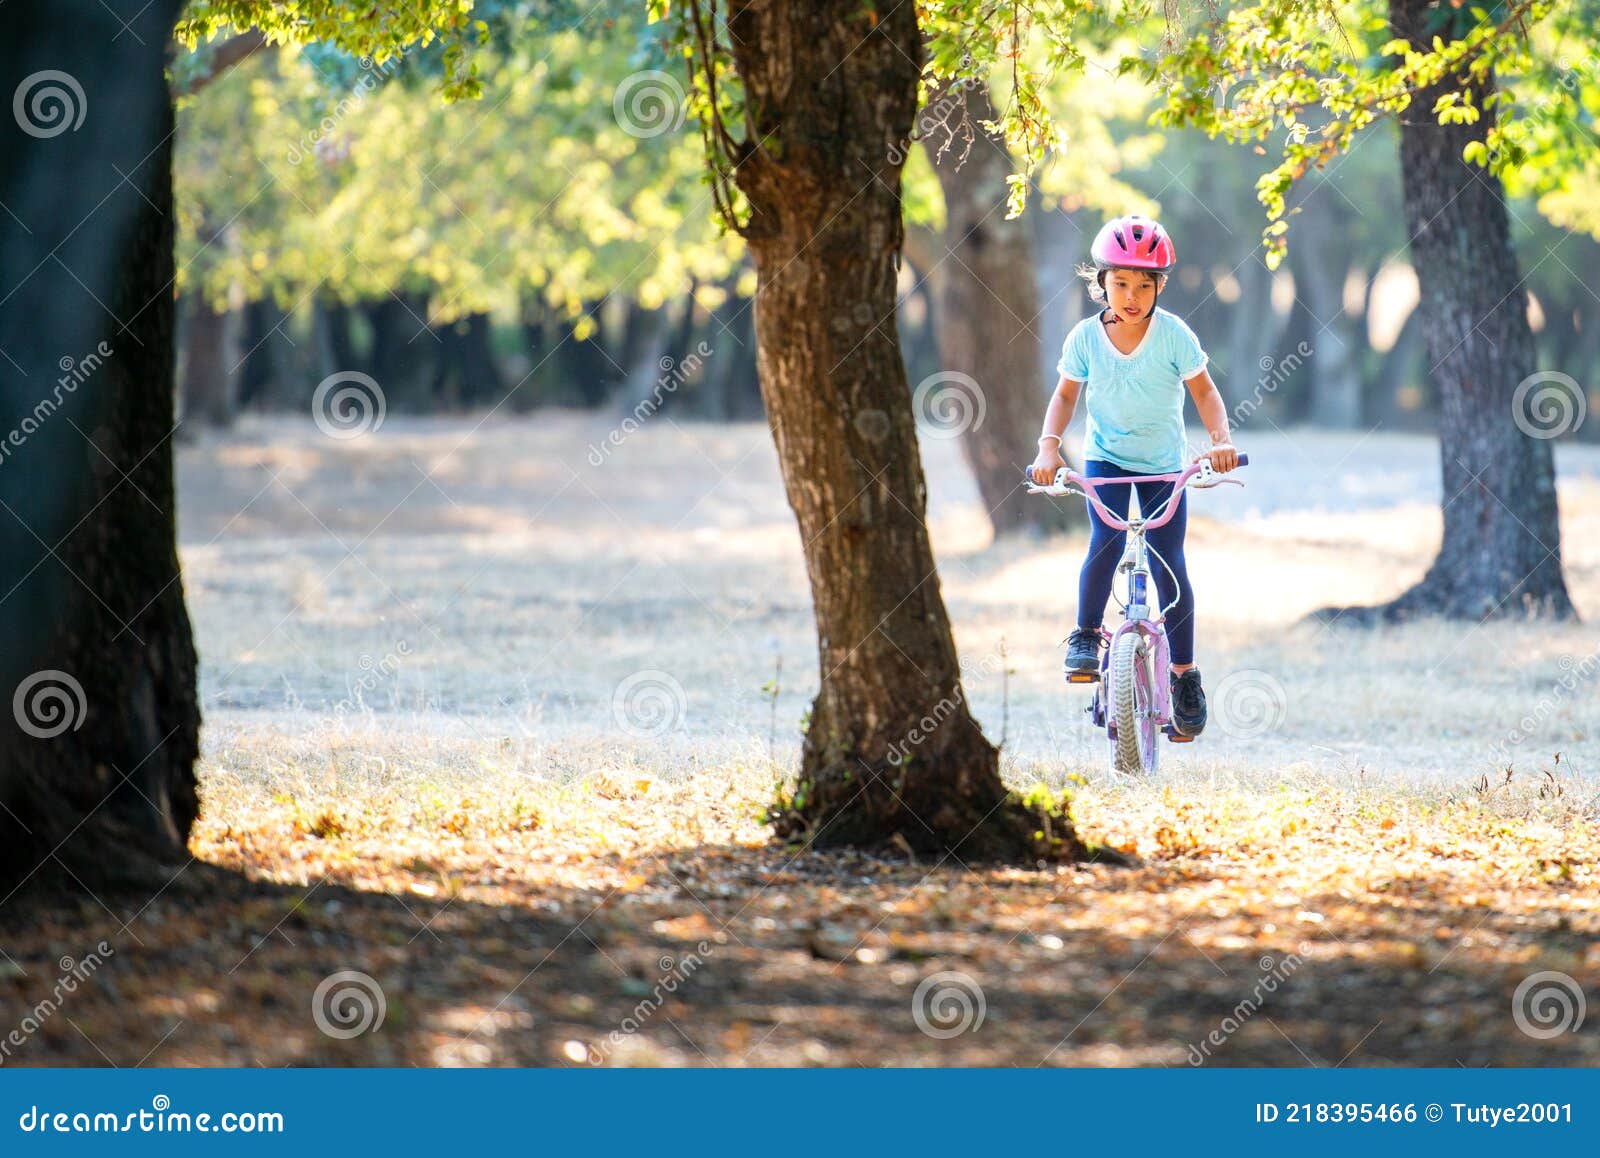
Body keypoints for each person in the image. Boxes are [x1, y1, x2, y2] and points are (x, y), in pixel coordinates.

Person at [1027, 214, 1239, 737]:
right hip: (1106, 461)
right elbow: (1065, 396)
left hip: (1165, 464)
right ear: (1101, 283)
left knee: (1171, 564)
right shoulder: (1084, 338)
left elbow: (1205, 393)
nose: (1131, 295)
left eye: (1145, 285)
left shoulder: (1173, 336)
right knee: (1103, 543)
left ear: (1160, 287)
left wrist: (1221, 443)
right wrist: (1048, 447)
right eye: (1120, 283)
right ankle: (1084, 635)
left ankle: (1184, 674)